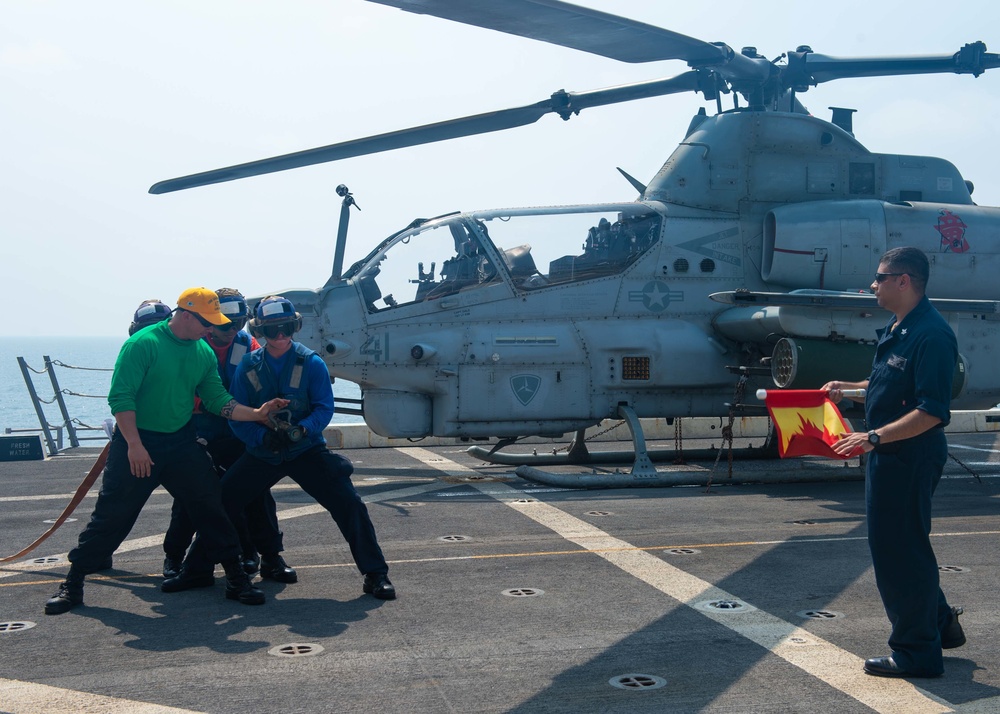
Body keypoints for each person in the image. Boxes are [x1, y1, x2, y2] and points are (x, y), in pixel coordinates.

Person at [44, 288, 289, 615]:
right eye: (206, 322)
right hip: (137, 443)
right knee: (113, 516)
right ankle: (73, 584)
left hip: (180, 442)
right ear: (186, 315)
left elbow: (217, 400)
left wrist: (257, 413)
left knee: (210, 506)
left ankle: (235, 578)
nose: (211, 330)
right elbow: (121, 398)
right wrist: (134, 446)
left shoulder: (200, 351)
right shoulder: (142, 344)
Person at [163, 295, 395, 600]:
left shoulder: (311, 363)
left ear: (295, 326)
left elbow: (324, 408)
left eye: (286, 327)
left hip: (305, 450)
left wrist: (303, 430)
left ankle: (375, 575)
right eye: (273, 330)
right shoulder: (248, 365)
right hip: (263, 452)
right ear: (261, 331)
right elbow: (236, 414)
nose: (281, 335)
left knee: (349, 504)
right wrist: (261, 439)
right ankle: (197, 570)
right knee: (220, 505)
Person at [824, 246, 965, 678]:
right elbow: (888, 382)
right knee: (906, 547)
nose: (873, 284)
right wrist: (850, 389)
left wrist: (873, 436)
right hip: (890, 453)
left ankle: (916, 653)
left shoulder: (932, 335)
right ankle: (940, 626)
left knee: (898, 555)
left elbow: (932, 410)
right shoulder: (900, 328)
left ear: (904, 281)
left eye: (880, 277)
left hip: (907, 455)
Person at [160, 288, 296, 584]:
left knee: (256, 491)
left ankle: (268, 556)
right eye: (225, 324)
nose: (232, 330)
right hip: (200, 427)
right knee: (191, 494)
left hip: (239, 426)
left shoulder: (249, 346)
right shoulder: (190, 345)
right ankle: (175, 556)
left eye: (238, 323)